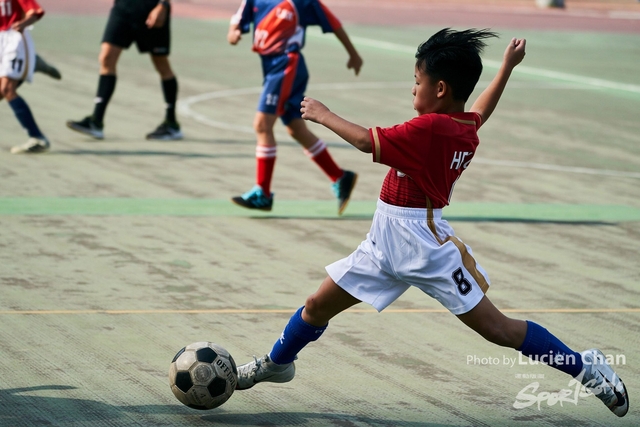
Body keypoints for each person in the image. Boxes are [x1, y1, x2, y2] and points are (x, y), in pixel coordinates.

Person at [232, 29, 629, 417]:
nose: (412, 89)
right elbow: (480, 112)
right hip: (383, 242)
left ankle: (586, 367)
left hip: (424, 246)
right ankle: (277, 364)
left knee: (499, 330)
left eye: (417, 81)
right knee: (317, 305)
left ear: (439, 89)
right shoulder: (459, 126)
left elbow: (365, 141)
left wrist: (323, 114)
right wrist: (506, 67)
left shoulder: (429, 129)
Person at [227, 0, 363, 215]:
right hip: (271, 66)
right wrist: (233, 33)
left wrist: (353, 54)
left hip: (286, 64)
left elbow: (333, 23)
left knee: (262, 125)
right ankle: (340, 176)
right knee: (296, 128)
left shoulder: (300, 2)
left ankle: (262, 192)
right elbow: (237, 22)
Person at [66, 0, 182, 141]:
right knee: (106, 58)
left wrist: (163, 4)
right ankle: (96, 121)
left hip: (151, 7)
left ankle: (171, 123)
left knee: (161, 64)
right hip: (123, 8)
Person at [1, 0, 50, 154]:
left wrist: (23, 23)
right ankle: (34, 63)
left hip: (14, 39)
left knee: (7, 89)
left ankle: (37, 138)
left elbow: (35, 11)